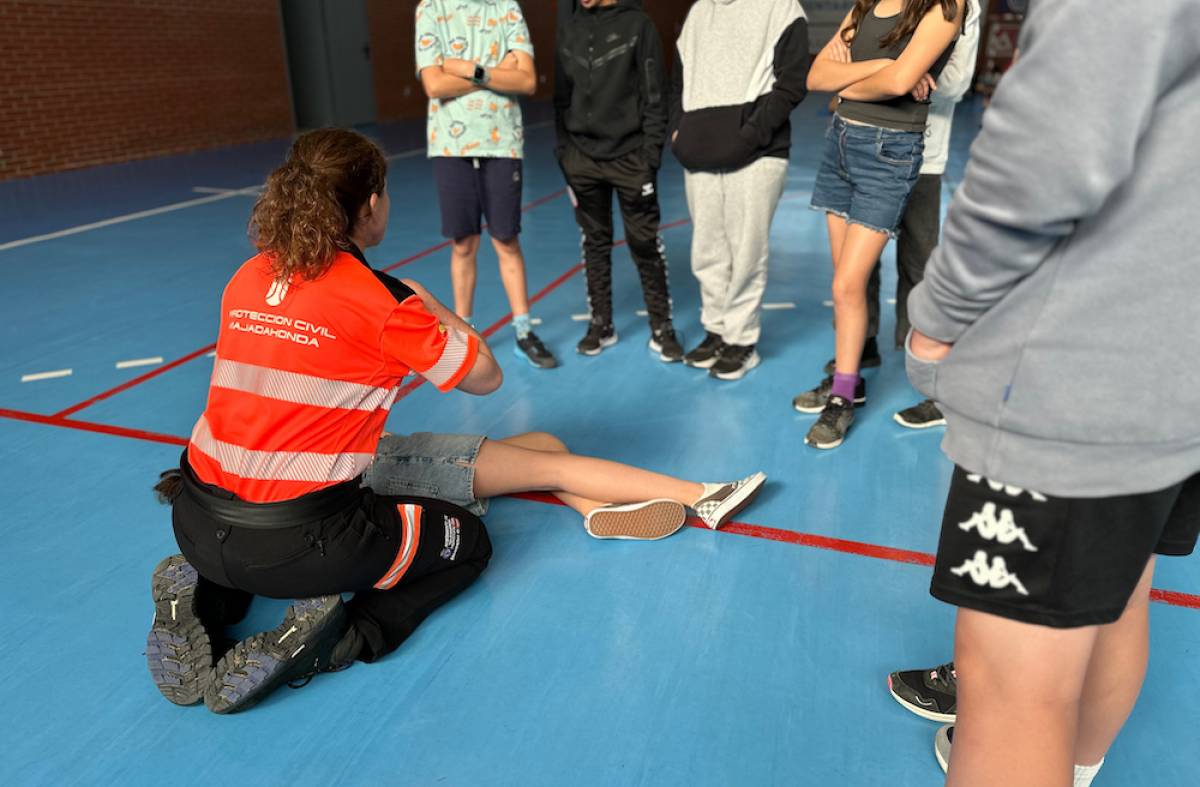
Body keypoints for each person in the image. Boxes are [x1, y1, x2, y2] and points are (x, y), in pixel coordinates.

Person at [144, 129, 767, 715]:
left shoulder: (249, 276)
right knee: (466, 544)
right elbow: (486, 376)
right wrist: (430, 304)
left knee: (538, 448)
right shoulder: (382, 300)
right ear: (370, 205)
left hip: (195, 522)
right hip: (308, 545)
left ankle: (203, 594)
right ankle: (345, 639)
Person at [901, 0, 1200, 782]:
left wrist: (935, 321)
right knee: (1119, 592)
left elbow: (1048, 152)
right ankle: (1073, 767)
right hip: (1179, 360)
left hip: (1085, 367)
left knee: (1008, 687)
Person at [793, 0, 963, 448]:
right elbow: (815, 77)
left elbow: (901, 83)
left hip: (889, 153)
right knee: (844, 285)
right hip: (840, 145)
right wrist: (886, 66)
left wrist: (853, 81)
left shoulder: (946, 7)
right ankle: (849, 382)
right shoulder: (866, 3)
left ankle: (842, 400)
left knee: (847, 285)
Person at [836, 0, 978, 430]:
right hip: (870, 142)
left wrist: (904, 76)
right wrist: (896, 73)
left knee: (919, 264)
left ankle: (936, 388)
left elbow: (955, 82)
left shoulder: (959, 6)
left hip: (922, 154)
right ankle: (862, 347)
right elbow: (848, 63)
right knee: (860, 265)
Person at [668, 0, 811, 381]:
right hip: (698, 149)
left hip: (758, 154)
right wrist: (677, 133)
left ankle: (742, 341)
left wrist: (749, 135)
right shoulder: (699, 11)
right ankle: (716, 330)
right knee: (707, 250)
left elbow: (793, 82)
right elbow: (678, 81)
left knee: (746, 250)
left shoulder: (781, 8)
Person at [414, 0, 557, 369]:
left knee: (507, 240)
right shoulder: (431, 9)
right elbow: (433, 84)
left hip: (502, 141)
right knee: (464, 244)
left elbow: (525, 79)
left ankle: (524, 330)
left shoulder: (506, 8)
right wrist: (495, 73)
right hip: (450, 144)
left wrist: (465, 69)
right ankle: (464, 335)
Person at [554, 0, 683, 362]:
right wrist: (565, 153)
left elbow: (655, 96)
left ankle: (662, 327)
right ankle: (601, 324)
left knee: (644, 242)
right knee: (594, 243)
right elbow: (561, 98)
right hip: (581, 160)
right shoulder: (569, 25)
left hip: (632, 159)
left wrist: (649, 158)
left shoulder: (639, 25)